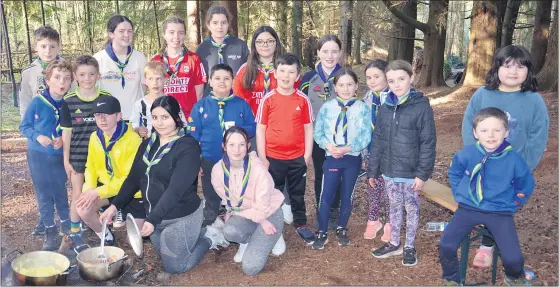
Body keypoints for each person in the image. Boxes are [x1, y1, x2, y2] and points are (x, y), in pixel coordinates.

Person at [100, 96, 227, 275]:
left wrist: (151, 220)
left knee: (175, 266)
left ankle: (208, 237)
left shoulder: (187, 147)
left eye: (165, 117)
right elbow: (133, 178)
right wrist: (114, 206)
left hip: (181, 216)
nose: (159, 123)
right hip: (157, 217)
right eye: (155, 117)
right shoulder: (148, 144)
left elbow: (175, 190)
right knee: (165, 253)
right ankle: (196, 233)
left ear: (176, 117)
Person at [461, 45, 549, 269]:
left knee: (500, 207)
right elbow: (468, 126)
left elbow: (537, 137)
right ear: (497, 67)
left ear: (529, 71)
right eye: (507, 65)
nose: (513, 71)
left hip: (513, 169)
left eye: (521, 66)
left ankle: (490, 245)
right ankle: (487, 243)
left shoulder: (534, 101)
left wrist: (523, 167)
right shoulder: (483, 95)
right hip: (484, 165)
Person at [441, 107, 535, 286]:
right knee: (446, 244)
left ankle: (514, 277)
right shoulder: (466, 154)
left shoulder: (514, 159)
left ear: (506, 132)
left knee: (513, 259)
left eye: (497, 130)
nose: (490, 135)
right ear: (475, 133)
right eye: (484, 130)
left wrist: (516, 201)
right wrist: (458, 191)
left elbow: (526, 183)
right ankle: (452, 279)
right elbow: (455, 172)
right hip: (468, 207)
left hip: (499, 211)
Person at [367, 60, 436, 266]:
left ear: (411, 78)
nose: (397, 85)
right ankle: (395, 243)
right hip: (389, 171)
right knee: (394, 207)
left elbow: (428, 142)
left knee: (411, 208)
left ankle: (409, 246)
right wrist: (373, 170)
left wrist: (422, 174)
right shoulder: (386, 106)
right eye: (391, 81)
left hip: (410, 172)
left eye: (401, 79)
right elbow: (378, 140)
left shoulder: (421, 106)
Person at [255, 53, 315, 244]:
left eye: (291, 72)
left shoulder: (303, 100)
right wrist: (263, 157)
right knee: (272, 193)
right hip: (273, 157)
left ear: (297, 76)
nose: (286, 76)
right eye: (282, 71)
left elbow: (308, 128)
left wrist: (307, 155)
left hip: (297, 157)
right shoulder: (268, 99)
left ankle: (300, 223)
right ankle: (273, 225)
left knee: (297, 192)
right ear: (275, 73)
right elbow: (260, 129)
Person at [188, 64, 256, 227]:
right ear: (210, 81)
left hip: (235, 159)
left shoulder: (241, 105)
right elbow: (192, 136)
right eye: (217, 78)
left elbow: (252, 127)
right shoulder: (201, 106)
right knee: (211, 190)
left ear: (233, 81)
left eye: (226, 78)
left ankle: (235, 214)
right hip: (209, 158)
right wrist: (196, 160)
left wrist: (238, 131)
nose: (222, 82)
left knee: (235, 188)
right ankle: (212, 212)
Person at [211, 126, 285, 275]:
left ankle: (276, 234)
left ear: (248, 146)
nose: (237, 149)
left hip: (268, 212)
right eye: (231, 145)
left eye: (241, 144)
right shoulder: (217, 170)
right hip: (246, 212)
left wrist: (262, 221)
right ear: (224, 147)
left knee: (251, 268)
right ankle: (245, 241)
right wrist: (232, 211)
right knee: (230, 231)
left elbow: (262, 207)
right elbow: (228, 200)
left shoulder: (258, 169)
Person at [312, 68, 371, 249]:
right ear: (335, 87)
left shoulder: (362, 108)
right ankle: (322, 230)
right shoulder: (327, 107)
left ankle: (341, 227)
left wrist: (348, 148)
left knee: (347, 194)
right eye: (341, 85)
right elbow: (318, 132)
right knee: (326, 194)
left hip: (351, 158)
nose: (346, 89)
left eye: (350, 84)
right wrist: (329, 146)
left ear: (356, 86)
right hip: (332, 157)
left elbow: (365, 135)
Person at [76, 95, 144, 248]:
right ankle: (105, 235)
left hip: (131, 192)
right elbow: (90, 168)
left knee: (135, 241)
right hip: (107, 189)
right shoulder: (95, 137)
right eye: (98, 115)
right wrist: (90, 190)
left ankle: (124, 212)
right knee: (82, 208)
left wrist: (98, 192)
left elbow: (130, 180)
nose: (102, 119)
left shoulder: (133, 139)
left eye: (107, 114)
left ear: (119, 116)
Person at [19, 60, 73, 250]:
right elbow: (23, 126)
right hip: (38, 155)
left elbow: (68, 130)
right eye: (57, 77)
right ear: (48, 80)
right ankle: (50, 230)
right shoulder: (37, 102)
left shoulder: (69, 103)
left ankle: (67, 227)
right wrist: (38, 136)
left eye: (67, 79)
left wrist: (62, 140)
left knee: (60, 191)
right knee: (44, 194)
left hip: (58, 156)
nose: (62, 82)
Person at [60, 55, 112, 245]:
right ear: (75, 76)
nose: (87, 78)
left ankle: (101, 222)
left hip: (102, 158)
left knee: (100, 192)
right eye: (82, 74)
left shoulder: (106, 98)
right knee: (78, 194)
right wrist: (66, 160)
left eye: (91, 74)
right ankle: (75, 231)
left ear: (98, 75)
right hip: (78, 156)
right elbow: (67, 134)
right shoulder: (69, 101)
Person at [300, 34, 344, 230]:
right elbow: (301, 106)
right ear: (318, 52)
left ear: (340, 53)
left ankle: (334, 210)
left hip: (340, 137)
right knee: (320, 173)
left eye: (334, 51)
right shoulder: (309, 78)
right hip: (317, 137)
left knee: (339, 173)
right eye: (325, 51)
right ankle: (322, 209)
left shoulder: (345, 76)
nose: (330, 55)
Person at [94, 15, 147, 122]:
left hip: (134, 119)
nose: (126, 35)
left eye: (130, 31)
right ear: (111, 34)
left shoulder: (139, 58)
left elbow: (144, 87)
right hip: (108, 119)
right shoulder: (98, 59)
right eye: (121, 31)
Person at [152, 16, 206, 118]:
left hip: (189, 117)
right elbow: (153, 91)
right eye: (171, 32)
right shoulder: (156, 61)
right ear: (164, 34)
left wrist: (194, 116)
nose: (176, 37)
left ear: (185, 34)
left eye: (180, 33)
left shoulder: (194, 59)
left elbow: (199, 93)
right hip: (163, 117)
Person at [362, 59, 391, 241]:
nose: (372, 81)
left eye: (376, 76)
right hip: (371, 152)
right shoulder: (366, 100)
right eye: (368, 78)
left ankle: (390, 223)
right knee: (373, 187)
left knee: (389, 191)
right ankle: (373, 220)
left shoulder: (395, 98)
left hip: (391, 155)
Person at [196, 5, 249, 95]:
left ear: (228, 24)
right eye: (215, 23)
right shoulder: (202, 49)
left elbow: (248, 73)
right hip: (210, 100)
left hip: (235, 98)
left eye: (223, 23)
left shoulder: (240, 46)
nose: (220, 26)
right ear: (208, 25)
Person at [233, 26, 281, 116]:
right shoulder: (245, 70)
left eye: (270, 41)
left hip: (280, 122)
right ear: (254, 45)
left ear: (276, 43)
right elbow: (237, 99)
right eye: (260, 42)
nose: (265, 45)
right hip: (252, 123)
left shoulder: (286, 69)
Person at [130, 62, 167, 138]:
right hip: (148, 143)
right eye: (150, 79)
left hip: (169, 143)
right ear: (145, 81)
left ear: (165, 80)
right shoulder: (139, 104)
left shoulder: (171, 102)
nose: (155, 83)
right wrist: (139, 130)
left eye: (158, 79)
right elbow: (134, 125)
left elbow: (182, 124)